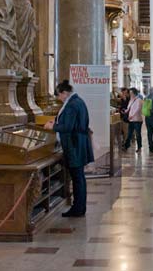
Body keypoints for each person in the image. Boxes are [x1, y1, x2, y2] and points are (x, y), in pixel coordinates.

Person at [45, 80, 92, 217]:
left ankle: (78, 208)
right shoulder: (77, 101)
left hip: (74, 145)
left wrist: (52, 127)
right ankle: (79, 206)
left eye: (59, 96)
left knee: (77, 178)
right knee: (79, 177)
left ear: (64, 93)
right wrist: (57, 121)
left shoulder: (72, 104)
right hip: (78, 143)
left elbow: (68, 127)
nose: (59, 99)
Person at [123, 88, 143, 153]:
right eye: (130, 93)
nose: (130, 94)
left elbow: (138, 109)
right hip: (131, 120)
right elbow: (129, 108)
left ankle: (139, 147)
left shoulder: (139, 100)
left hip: (137, 120)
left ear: (134, 93)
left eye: (131, 93)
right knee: (129, 134)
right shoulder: (131, 100)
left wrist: (132, 115)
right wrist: (125, 111)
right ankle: (126, 146)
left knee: (138, 134)